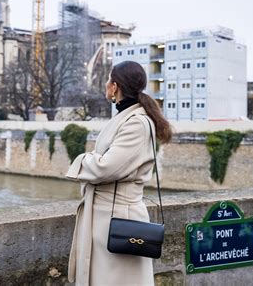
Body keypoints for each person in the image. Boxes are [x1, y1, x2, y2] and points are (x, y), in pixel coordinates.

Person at [66, 60, 173, 285]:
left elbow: (107, 167)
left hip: (118, 219)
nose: (106, 84)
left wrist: (82, 160)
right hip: (108, 215)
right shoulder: (128, 117)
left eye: (108, 80)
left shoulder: (136, 123)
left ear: (114, 86)